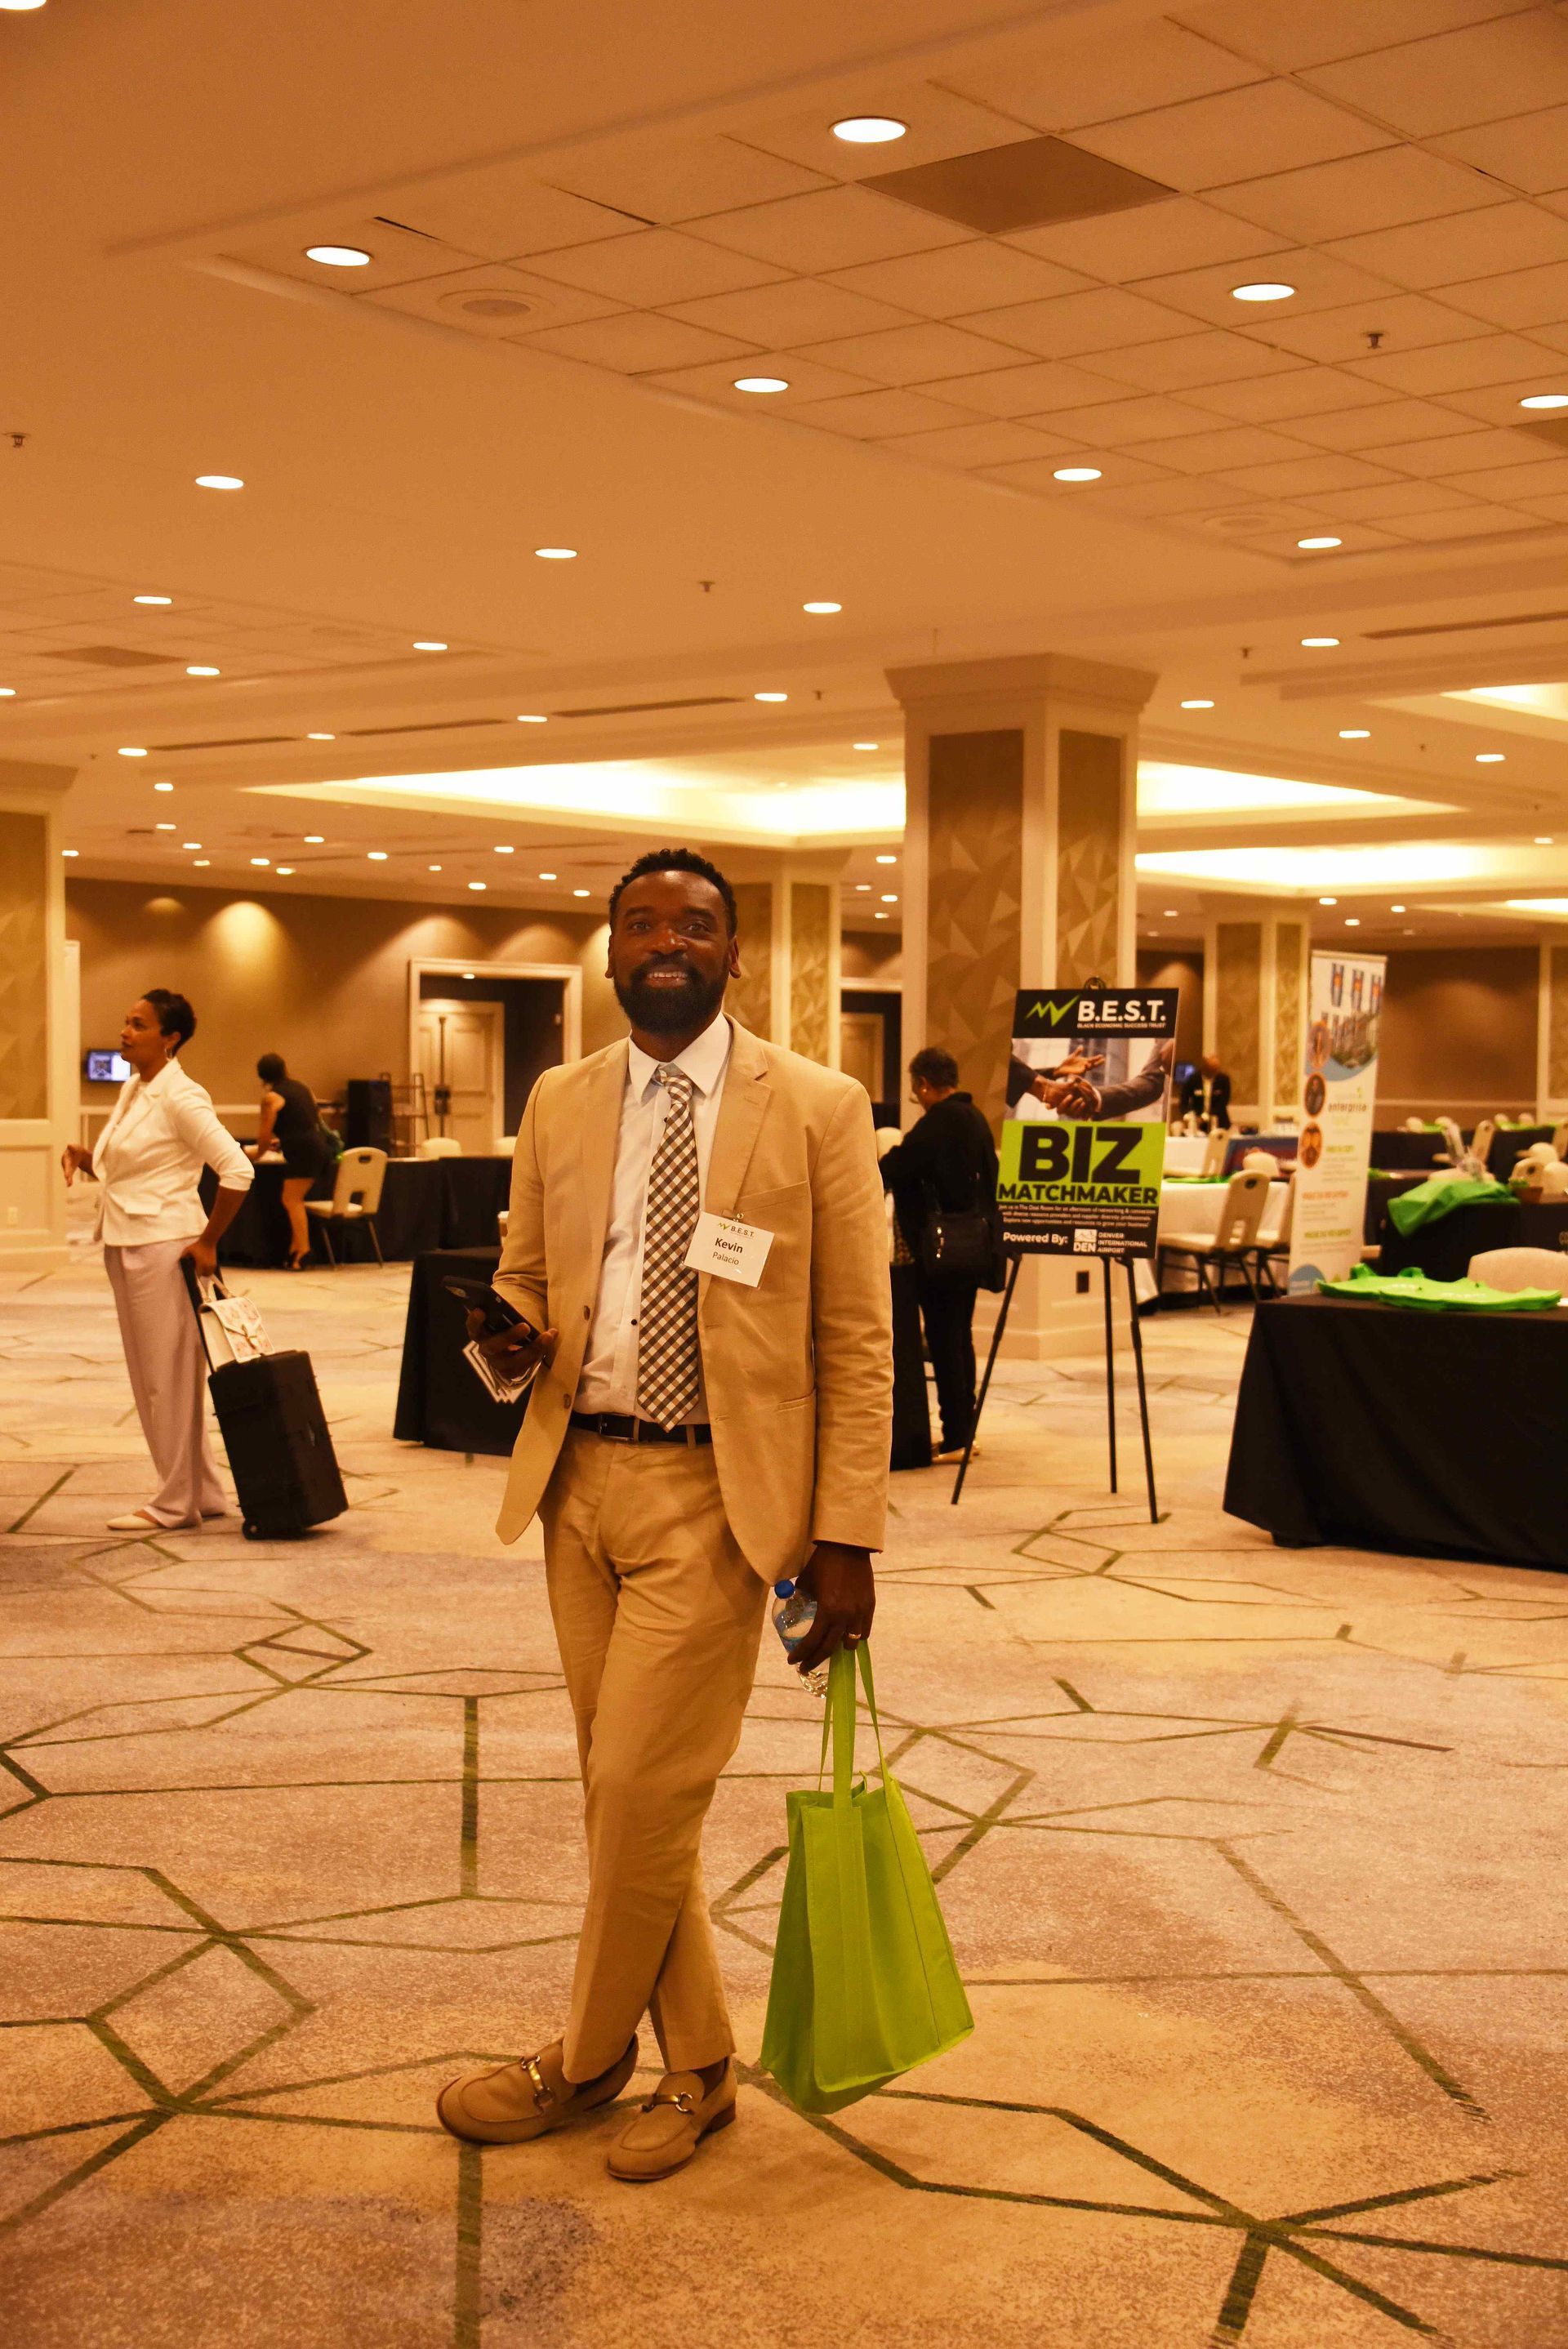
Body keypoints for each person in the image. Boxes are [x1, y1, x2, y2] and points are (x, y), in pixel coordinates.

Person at [435, 848, 892, 2182]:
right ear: (611, 949)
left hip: (718, 1491)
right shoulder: (562, 1099)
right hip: (577, 1476)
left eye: (695, 923)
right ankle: (697, 2066)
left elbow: (857, 1338)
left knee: (637, 1783)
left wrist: (847, 1534)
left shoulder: (817, 1105)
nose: (667, 942)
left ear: (735, 952)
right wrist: (505, 1343)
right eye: (642, 922)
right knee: (629, 1797)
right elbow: (527, 1274)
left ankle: (582, 2063)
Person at [60, 990, 254, 1532]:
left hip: (165, 1248)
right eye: (125, 1021)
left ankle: (174, 1503)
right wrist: (86, 1159)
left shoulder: (182, 1096)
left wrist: (210, 1242)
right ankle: (205, 1491)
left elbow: (238, 1171)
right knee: (158, 1374)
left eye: (138, 1024)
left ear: (170, 1037)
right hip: (126, 1241)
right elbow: (131, 1167)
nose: (125, 1031)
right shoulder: (134, 1088)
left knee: (163, 1379)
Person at [877, 1047, 998, 1461]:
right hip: (973, 1247)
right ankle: (965, 1430)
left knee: (945, 1342)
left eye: (916, 1091)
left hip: (942, 1253)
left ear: (925, 1085)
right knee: (959, 1339)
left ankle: (956, 1438)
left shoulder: (938, 1123)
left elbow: (894, 1168)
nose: (917, 1097)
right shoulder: (977, 1119)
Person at [249, 1051, 333, 1268]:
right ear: (285, 1069)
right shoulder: (303, 1088)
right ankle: (294, 1252)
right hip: (319, 1146)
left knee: (291, 1199)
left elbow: (264, 1136)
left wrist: (254, 1155)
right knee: (293, 1199)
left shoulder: (271, 1098)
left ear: (262, 1077)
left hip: (302, 1151)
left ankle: (304, 1251)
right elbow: (306, 1119)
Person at [1179, 1052, 1232, 1130]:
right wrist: (1188, 1116)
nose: (1214, 1073)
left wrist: (1205, 1117)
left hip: (1219, 1123)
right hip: (1197, 1124)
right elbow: (1184, 1100)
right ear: (1204, 1068)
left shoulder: (1223, 1080)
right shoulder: (1193, 1079)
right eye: (1211, 1070)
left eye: (1216, 1070)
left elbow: (1223, 1102)